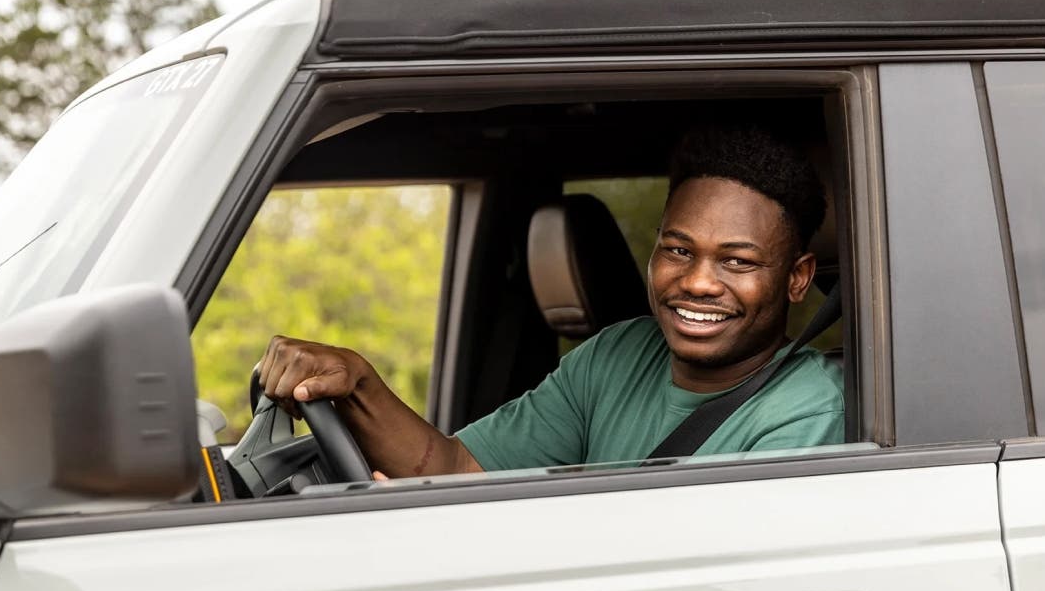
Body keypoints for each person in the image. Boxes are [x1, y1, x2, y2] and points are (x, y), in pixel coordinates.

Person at [258, 121, 844, 479]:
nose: (696, 282)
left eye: (737, 261)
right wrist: (357, 380)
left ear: (797, 278)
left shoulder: (806, 412)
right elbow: (459, 470)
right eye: (678, 250)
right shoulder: (615, 355)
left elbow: (704, 583)